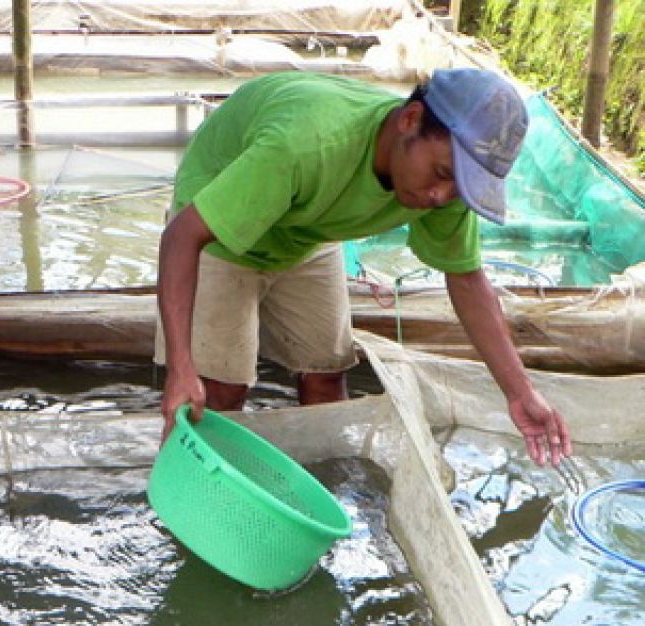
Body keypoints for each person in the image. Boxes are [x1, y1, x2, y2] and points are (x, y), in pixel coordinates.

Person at [155, 68, 571, 467]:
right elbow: (181, 238)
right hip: (218, 222)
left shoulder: (445, 190)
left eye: (459, 188)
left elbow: (466, 278)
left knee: (326, 374)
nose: (439, 196)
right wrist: (180, 370)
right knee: (218, 394)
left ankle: (318, 493)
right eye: (442, 174)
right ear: (410, 119)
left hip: (304, 229)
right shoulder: (305, 144)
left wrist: (520, 393)